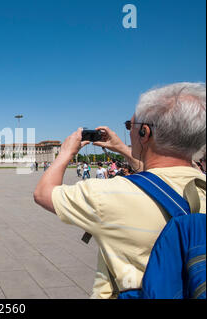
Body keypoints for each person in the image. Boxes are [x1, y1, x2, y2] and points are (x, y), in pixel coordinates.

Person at [33, 82, 206, 299]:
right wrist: (123, 148)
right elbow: (163, 175)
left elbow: (43, 193)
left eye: (129, 125)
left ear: (145, 132)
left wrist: (66, 152)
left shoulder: (111, 194)